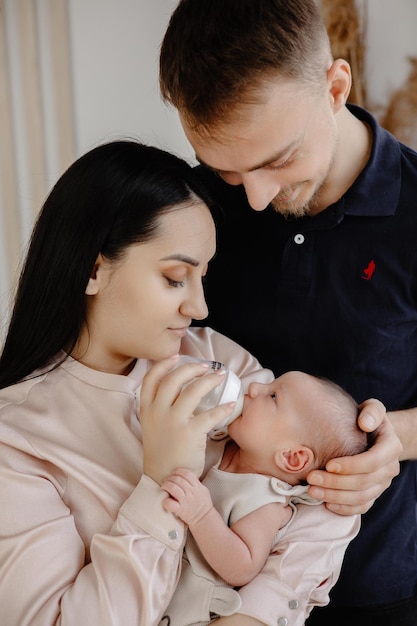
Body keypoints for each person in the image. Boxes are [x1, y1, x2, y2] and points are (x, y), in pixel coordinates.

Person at [0, 139, 360, 626]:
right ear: (92, 269)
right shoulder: (16, 442)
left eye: (203, 277)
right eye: (175, 278)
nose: (199, 308)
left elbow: (322, 506)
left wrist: (250, 617)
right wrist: (158, 482)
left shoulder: (212, 355)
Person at [159, 1, 413, 624]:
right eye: (226, 168)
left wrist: (395, 441)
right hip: (194, 585)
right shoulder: (190, 204)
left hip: (377, 590)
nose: (255, 196)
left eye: (278, 160)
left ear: (335, 87)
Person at [161, 371, 371, 625]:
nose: (254, 387)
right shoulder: (224, 443)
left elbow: (243, 566)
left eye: (272, 396)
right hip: (157, 579)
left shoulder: (265, 503)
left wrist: (201, 515)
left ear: (292, 458)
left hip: (187, 611)